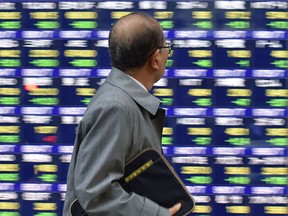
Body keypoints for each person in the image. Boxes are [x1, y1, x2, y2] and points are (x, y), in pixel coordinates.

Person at [63, 12, 181, 216]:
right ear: (155, 59)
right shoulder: (115, 107)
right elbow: (96, 193)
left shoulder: (121, 100)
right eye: (165, 48)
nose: (166, 54)